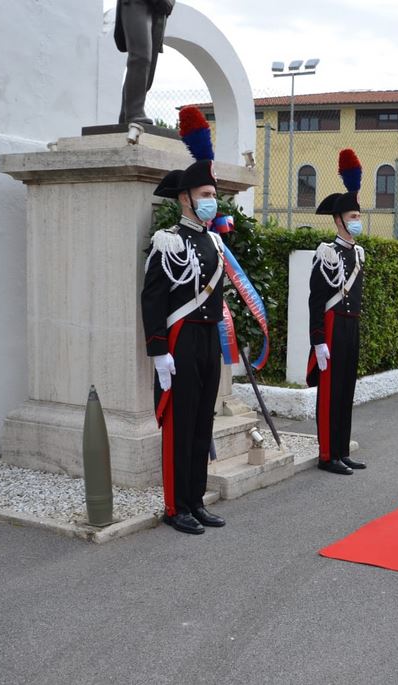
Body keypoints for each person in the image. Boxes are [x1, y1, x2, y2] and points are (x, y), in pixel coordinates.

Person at [141, 157, 226, 535]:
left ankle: (195, 499)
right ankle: (176, 507)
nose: (213, 201)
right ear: (185, 198)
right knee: (180, 423)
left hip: (208, 338)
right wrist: (159, 351)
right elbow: (153, 299)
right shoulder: (169, 241)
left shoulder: (214, 241)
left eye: (213, 194)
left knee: (201, 422)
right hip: (181, 340)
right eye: (206, 194)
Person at [307, 149, 367, 475]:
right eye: (353, 217)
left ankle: (342, 450)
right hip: (330, 326)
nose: (358, 221)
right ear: (339, 220)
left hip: (351, 327)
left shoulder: (359, 254)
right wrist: (318, 341)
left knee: (346, 391)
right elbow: (316, 300)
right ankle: (327, 454)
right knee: (330, 393)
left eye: (359, 216)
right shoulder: (326, 253)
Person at [114, 0, 175, 124]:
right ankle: (134, 113)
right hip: (137, 3)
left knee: (149, 68)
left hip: (159, 11)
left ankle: (126, 116)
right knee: (140, 57)